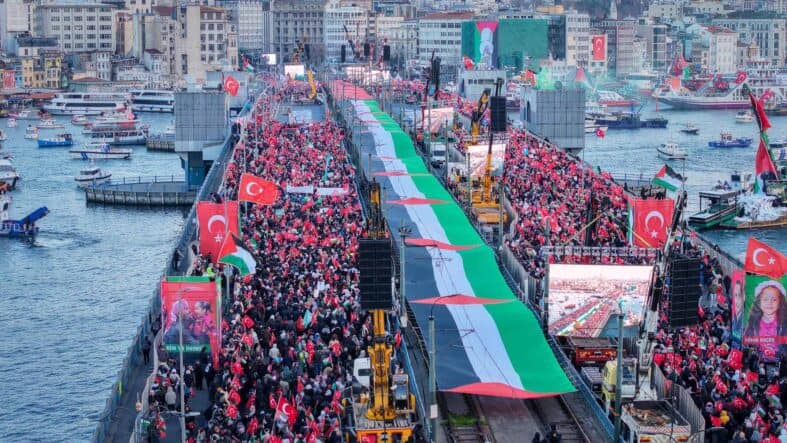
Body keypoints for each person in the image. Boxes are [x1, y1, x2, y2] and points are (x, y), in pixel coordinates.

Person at [743, 280, 787, 359]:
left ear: (780, 302)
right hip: (758, 361)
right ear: (759, 302)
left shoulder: (784, 324)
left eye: (774, 299)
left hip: (778, 361)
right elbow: (747, 342)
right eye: (765, 299)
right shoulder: (753, 324)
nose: (769, 303)